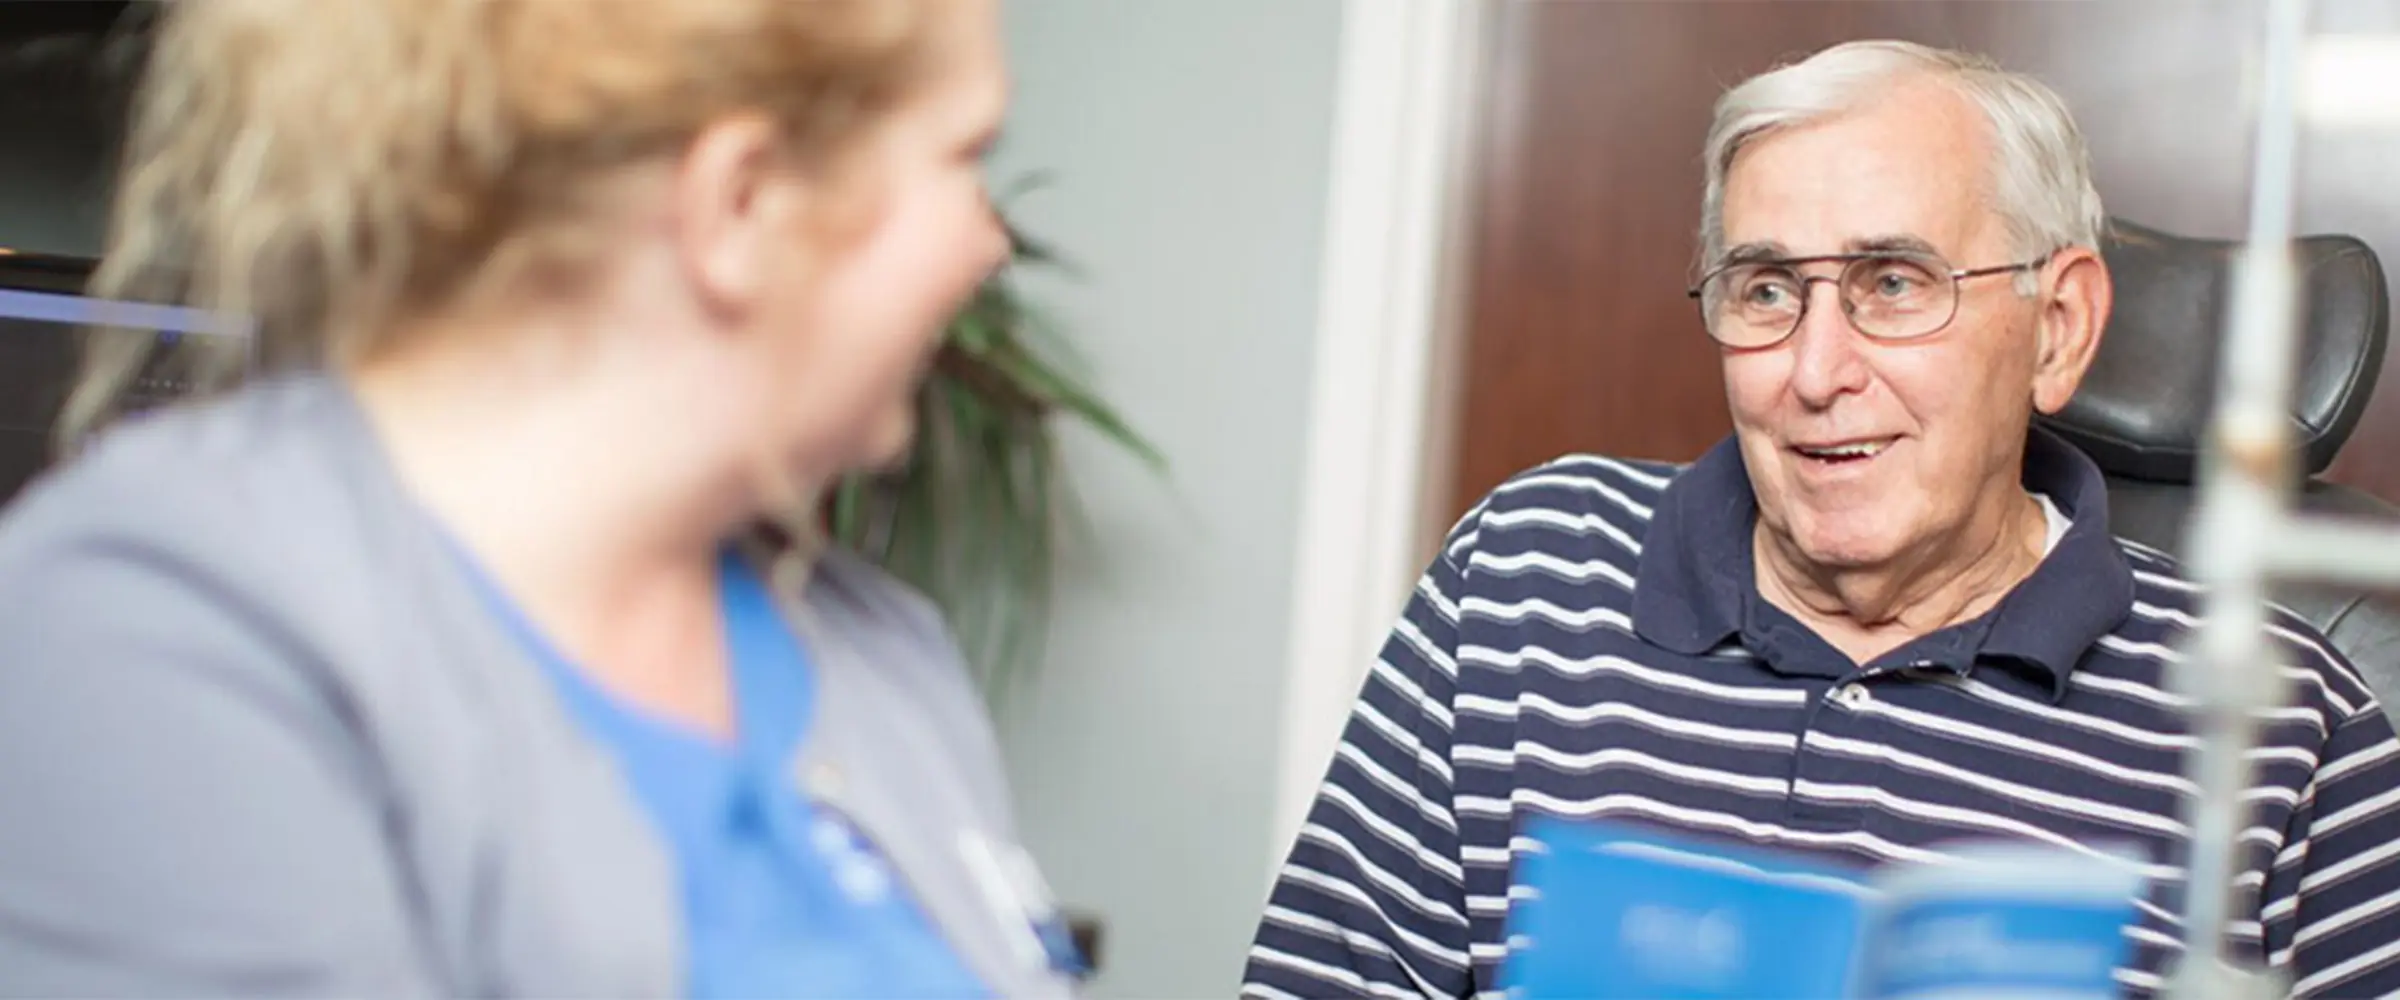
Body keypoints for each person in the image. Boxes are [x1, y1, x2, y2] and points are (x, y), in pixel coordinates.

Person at [1243, 39, 2400, 1000]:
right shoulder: (1521, 578)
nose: (1814, 368)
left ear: (2055, 330)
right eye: (1765, 290)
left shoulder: (2294, 727)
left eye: (1894, 283)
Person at [0, 0, 1081, 996]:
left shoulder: (884, 659)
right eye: (963, 158)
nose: (988, 245)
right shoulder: (169, 628)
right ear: (741, 204)